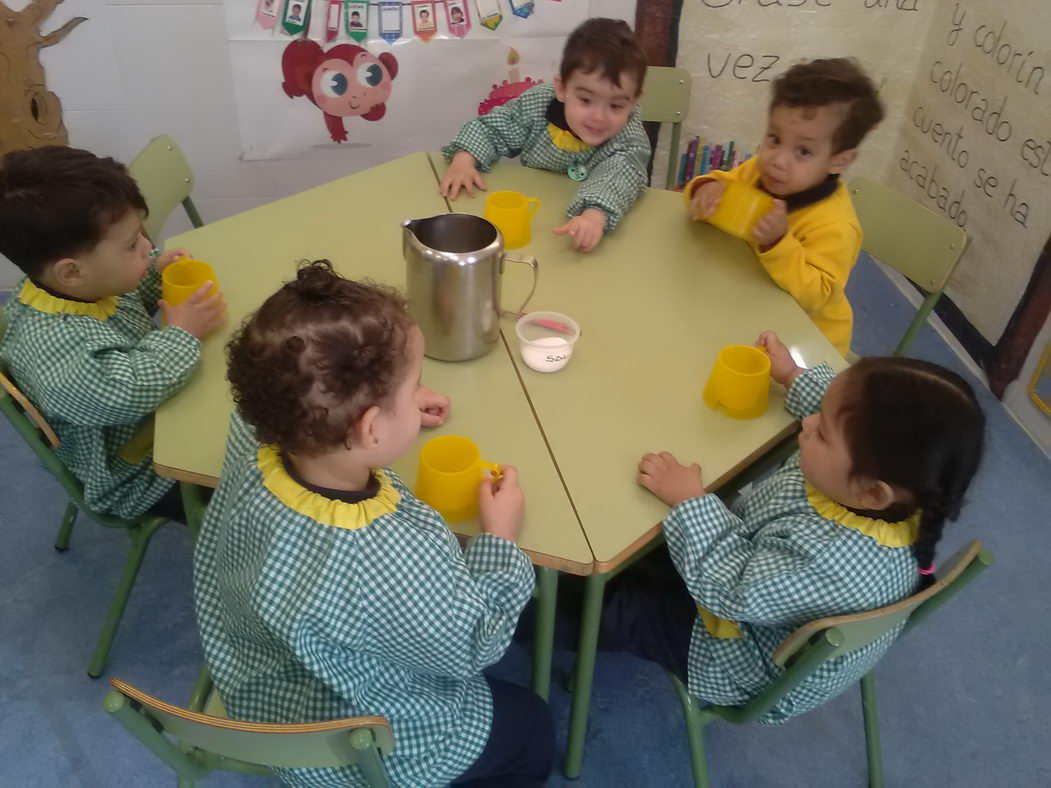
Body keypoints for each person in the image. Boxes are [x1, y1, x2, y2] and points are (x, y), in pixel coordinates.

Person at [194, 260, 554, 786]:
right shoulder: (382, 558)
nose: (419, 395)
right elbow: (471, 642)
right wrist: (499, 537)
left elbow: (286, 395)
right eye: (414, 388)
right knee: (532, 726)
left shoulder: (262, 434)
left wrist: (385, 411)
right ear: (370, 428)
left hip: (264, 676)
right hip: (365, 745)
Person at [587, 331, 984, 723]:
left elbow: (733, 589)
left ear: (872, 493)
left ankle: (542, 625)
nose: (808, 424)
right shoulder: (907, 486)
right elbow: (846, 411)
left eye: (823, 432)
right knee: (645, 540)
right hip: (757, 579)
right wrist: (792, 374)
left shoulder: (827, 560)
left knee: (617, 606)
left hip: (734, 651)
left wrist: (689, 500)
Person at [0, 146, 225, 519]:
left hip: (162, 410)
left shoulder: (78, 287)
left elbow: (127, 299)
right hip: (138, 472)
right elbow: (127, 392)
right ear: (71, 271)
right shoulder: (59, 357)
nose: (148, 247)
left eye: (142, 235)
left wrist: (154, 272)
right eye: (131, 245)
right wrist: (182, 334)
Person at [686, 59, 885, 355]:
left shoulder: (835, 225)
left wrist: (777, 242)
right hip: (746, 302)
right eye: (774, 139)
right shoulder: (760, 171)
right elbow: (723, 184)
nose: (777, 159)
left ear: (839, 161)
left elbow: (817, 295)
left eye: (803, 151)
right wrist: (706, 188)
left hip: (806, 342)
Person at [440, 17, 652, 252]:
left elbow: (621, 174)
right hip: (531, 225)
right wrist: (464, 160)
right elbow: (493, 128)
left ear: (633, 101)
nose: (599, 117)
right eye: (586, 100)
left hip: (578, 240)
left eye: (616, 106)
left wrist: (594, 215)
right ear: (561, 88)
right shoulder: (538, 104)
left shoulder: (629, 136)